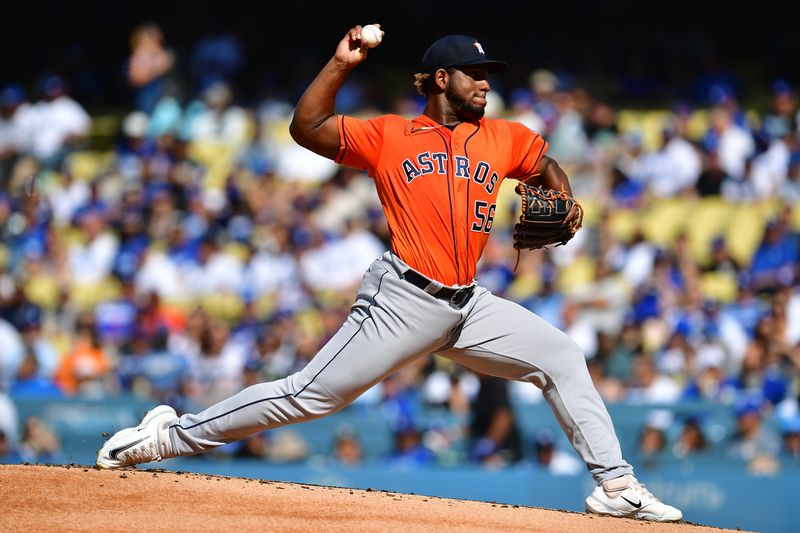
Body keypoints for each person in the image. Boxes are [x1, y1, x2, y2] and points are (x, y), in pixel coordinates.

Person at [97, 25, 682, 522]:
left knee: (560, 355)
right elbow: (307, 127)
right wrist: (340, 62)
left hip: (468, 306)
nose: (484, 82)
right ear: (439, 79)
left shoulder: (503, 137)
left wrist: (565, 198)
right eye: (472, 72)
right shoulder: (391, 135)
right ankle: (166, 436)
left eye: (488, 73)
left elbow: (544, 164)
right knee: (309, 395)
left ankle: (617, 487)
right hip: (402, 298)